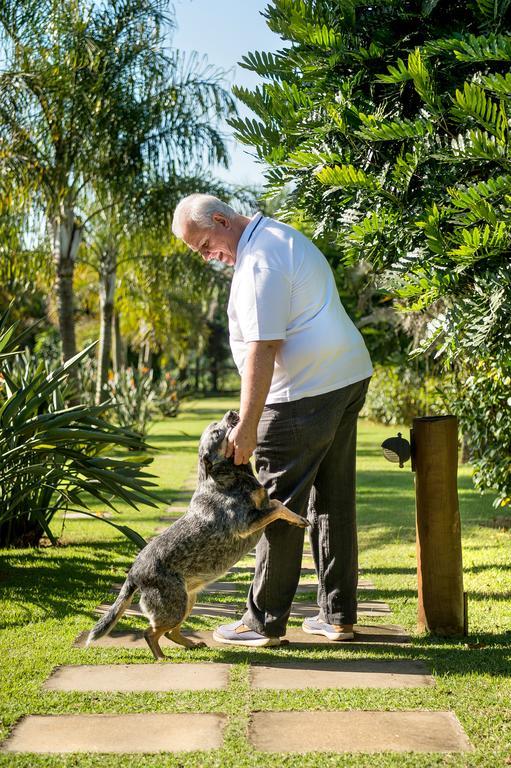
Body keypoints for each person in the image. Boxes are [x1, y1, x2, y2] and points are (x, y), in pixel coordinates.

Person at [171, 194, 373, 646]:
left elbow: (263, 347)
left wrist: (246, 422)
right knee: (333, 502)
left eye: (205, 245)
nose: (208, 257)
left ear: (222, 220)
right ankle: (338, 616)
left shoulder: (260, 259)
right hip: (344, 381)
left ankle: (263, 621)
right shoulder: (281, 238)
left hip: (302, 395)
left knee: (274, 505)